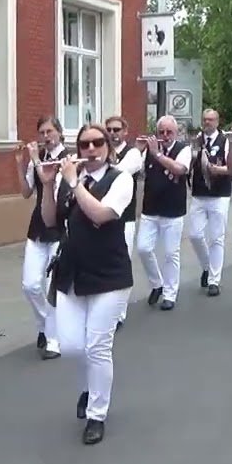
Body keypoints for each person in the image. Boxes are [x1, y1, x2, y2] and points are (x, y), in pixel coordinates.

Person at [39, 124, 135, 445]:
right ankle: (88, 387)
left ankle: (97, 413)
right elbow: (51, 221)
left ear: (107, 147)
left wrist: (73, 182)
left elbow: (101, 214)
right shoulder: (68, 182)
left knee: (97, 347)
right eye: (84, 145)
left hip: (109, 275)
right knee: (70, 347)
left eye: (97, 143)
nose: (90, 150)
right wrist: (49, 185)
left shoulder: (120, 179)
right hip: (71, 272)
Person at [15, 117, 68, 359]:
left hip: (60, 226)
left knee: (50, 286)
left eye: (50, 131)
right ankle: (46, 325)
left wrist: (35, 159)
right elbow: (26, 192)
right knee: (30, 285)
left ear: (59, 133)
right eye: (41, 132)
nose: (45, 136)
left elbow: (57, 189)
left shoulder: (66, 158)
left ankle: (53, 341)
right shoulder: (39, 159)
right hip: (37, 227)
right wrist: (20, 164)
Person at [135, 115, 192, 311]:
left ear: (176, 133)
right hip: (150, 209)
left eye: (169, 132)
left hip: (173, 211)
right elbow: (137, 171)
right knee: (143, 248)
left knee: (170, 254)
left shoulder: (183, 149)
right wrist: (137, 150)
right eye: (161, 132)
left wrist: (158, 155)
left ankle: (170, 294)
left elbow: (179, 169)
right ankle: (156, 283)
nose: (165, 136)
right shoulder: (148, 151)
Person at [188, 109, 232, 296]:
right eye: (205, 119)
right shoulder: (196, 140)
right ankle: (207, 266)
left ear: (217, 121)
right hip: (199, 193)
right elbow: (190, 162)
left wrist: (218, 170)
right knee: (195, 235)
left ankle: (214, 280)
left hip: (219, 194)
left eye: (211, 120)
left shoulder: (225, 141)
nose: (207, 122)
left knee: (216, 238)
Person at [104, 115, 144, 327]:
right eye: (109, 129)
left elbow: (116, 173)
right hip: (104, 218)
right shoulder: (102, 151)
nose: (112, 133)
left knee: (122, 263)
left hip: (125, 218)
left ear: (125, 131)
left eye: (116, 129)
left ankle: (119, 313)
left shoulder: (133, 153)